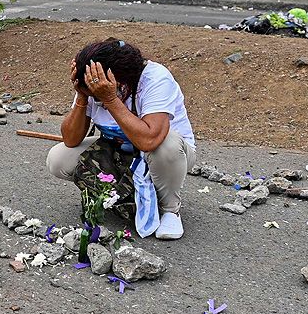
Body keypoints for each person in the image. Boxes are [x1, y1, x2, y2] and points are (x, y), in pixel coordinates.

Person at [46, 39, 197, 240]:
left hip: (170, 155)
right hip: (118, 152)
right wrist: (82, 96)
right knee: (59, 158)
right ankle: (124, 196)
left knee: (166, 145)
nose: (96, 98)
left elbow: (149, 141)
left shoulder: (155, 79)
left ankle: (170, 209)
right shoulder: (94, 81)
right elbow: (71, 139)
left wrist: (110, 100)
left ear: (120, 80)